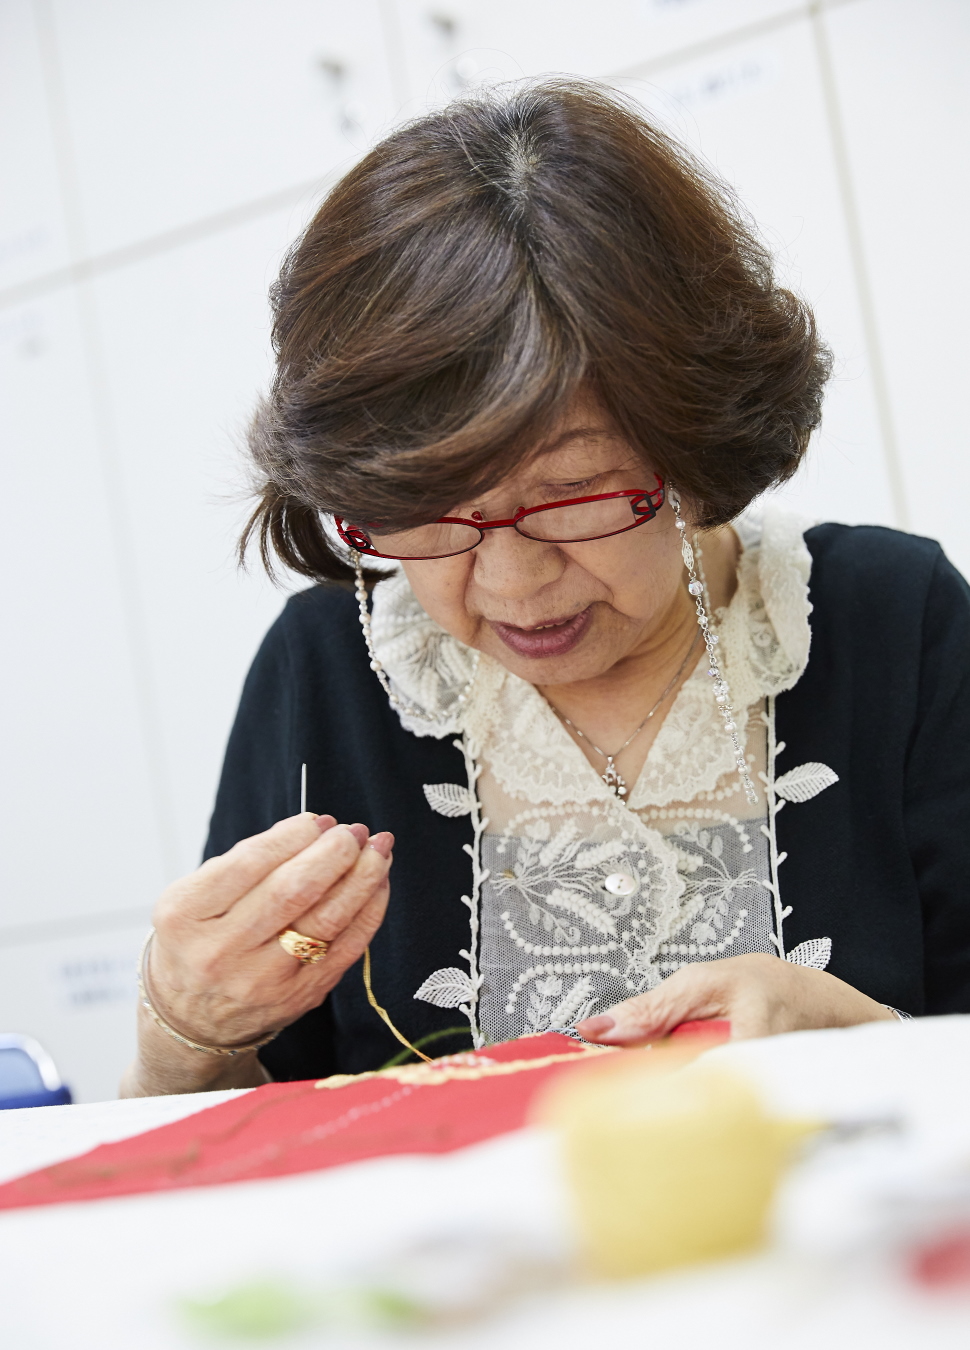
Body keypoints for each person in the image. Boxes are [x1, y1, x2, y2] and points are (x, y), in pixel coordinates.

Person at [121, 81, 970, 1098]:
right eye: (432, 512)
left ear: (693, 453)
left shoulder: (890, 619)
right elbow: (217, 1157)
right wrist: (185, 1031)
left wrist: (859, 1038)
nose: (512, 581)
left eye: (572, 497)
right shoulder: (328, 670)